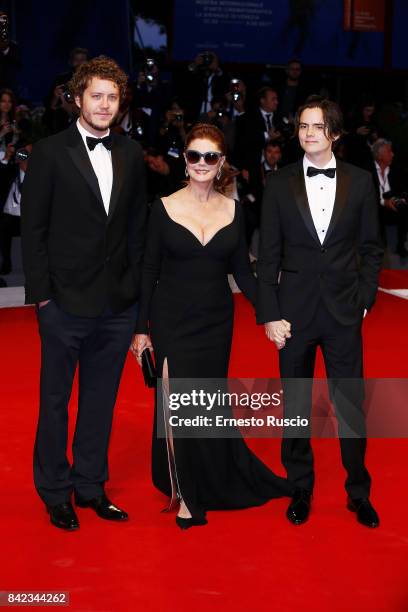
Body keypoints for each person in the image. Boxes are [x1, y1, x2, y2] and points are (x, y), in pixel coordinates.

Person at [132, 123, 292, 529]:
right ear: (184, 159)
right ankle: (188, 496)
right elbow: (148, 271)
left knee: (204, 403)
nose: (201, 163)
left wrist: (269, 314)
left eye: (210, 156)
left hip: (216, 322)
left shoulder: (235, 212)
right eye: (194, 155)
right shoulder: (163, 207)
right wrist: (141, 329)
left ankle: (212, 476)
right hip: (171, 320)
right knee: (177, 405)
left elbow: (243, 272)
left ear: (222, 163)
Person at [21, 56, 147, 531]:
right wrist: (44, 300)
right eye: (96, 95)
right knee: (54, 401)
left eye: (113, 97)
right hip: (63, 303)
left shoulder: (133, 154)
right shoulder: (50, 152)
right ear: (77, 98)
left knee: (100, 400)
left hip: (116, 303)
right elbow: (33, 230)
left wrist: (136, 299)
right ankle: (55, 492)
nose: (104, 104)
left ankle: (91, 485)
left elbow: (136, 229)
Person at [257, 99, 384, 528]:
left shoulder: (362, 182)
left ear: (334, 133)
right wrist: (269, 313)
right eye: (303, 126)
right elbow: (268, 254)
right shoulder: (278, 183)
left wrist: (365, 299)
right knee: (295, 404)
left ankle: (358, 492)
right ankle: (299, 487)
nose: (308, 133)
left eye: (317, 126)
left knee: (350, 405)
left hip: (344, 312)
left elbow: (371, 248)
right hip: (293, 314)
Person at [370, 138, 408, 259]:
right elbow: (366, 197)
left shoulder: (396, 169)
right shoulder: (367, 172)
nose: (393, 154)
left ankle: (400, 245)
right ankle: (379, 245)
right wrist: (383, 202)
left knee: (404, 208)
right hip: (375, 205)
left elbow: (403, 187)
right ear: (380, 156)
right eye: (389, 152)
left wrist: (401, 198)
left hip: (392, 201)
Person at [0, 138, 32, 275]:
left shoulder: (40, 175)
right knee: (2, 226)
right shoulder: (10, 171)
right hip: (10, 217)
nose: (27, 158)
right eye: (24, 154)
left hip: (30, 218)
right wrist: (7, 156)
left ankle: (35, 268)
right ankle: (5, 263)